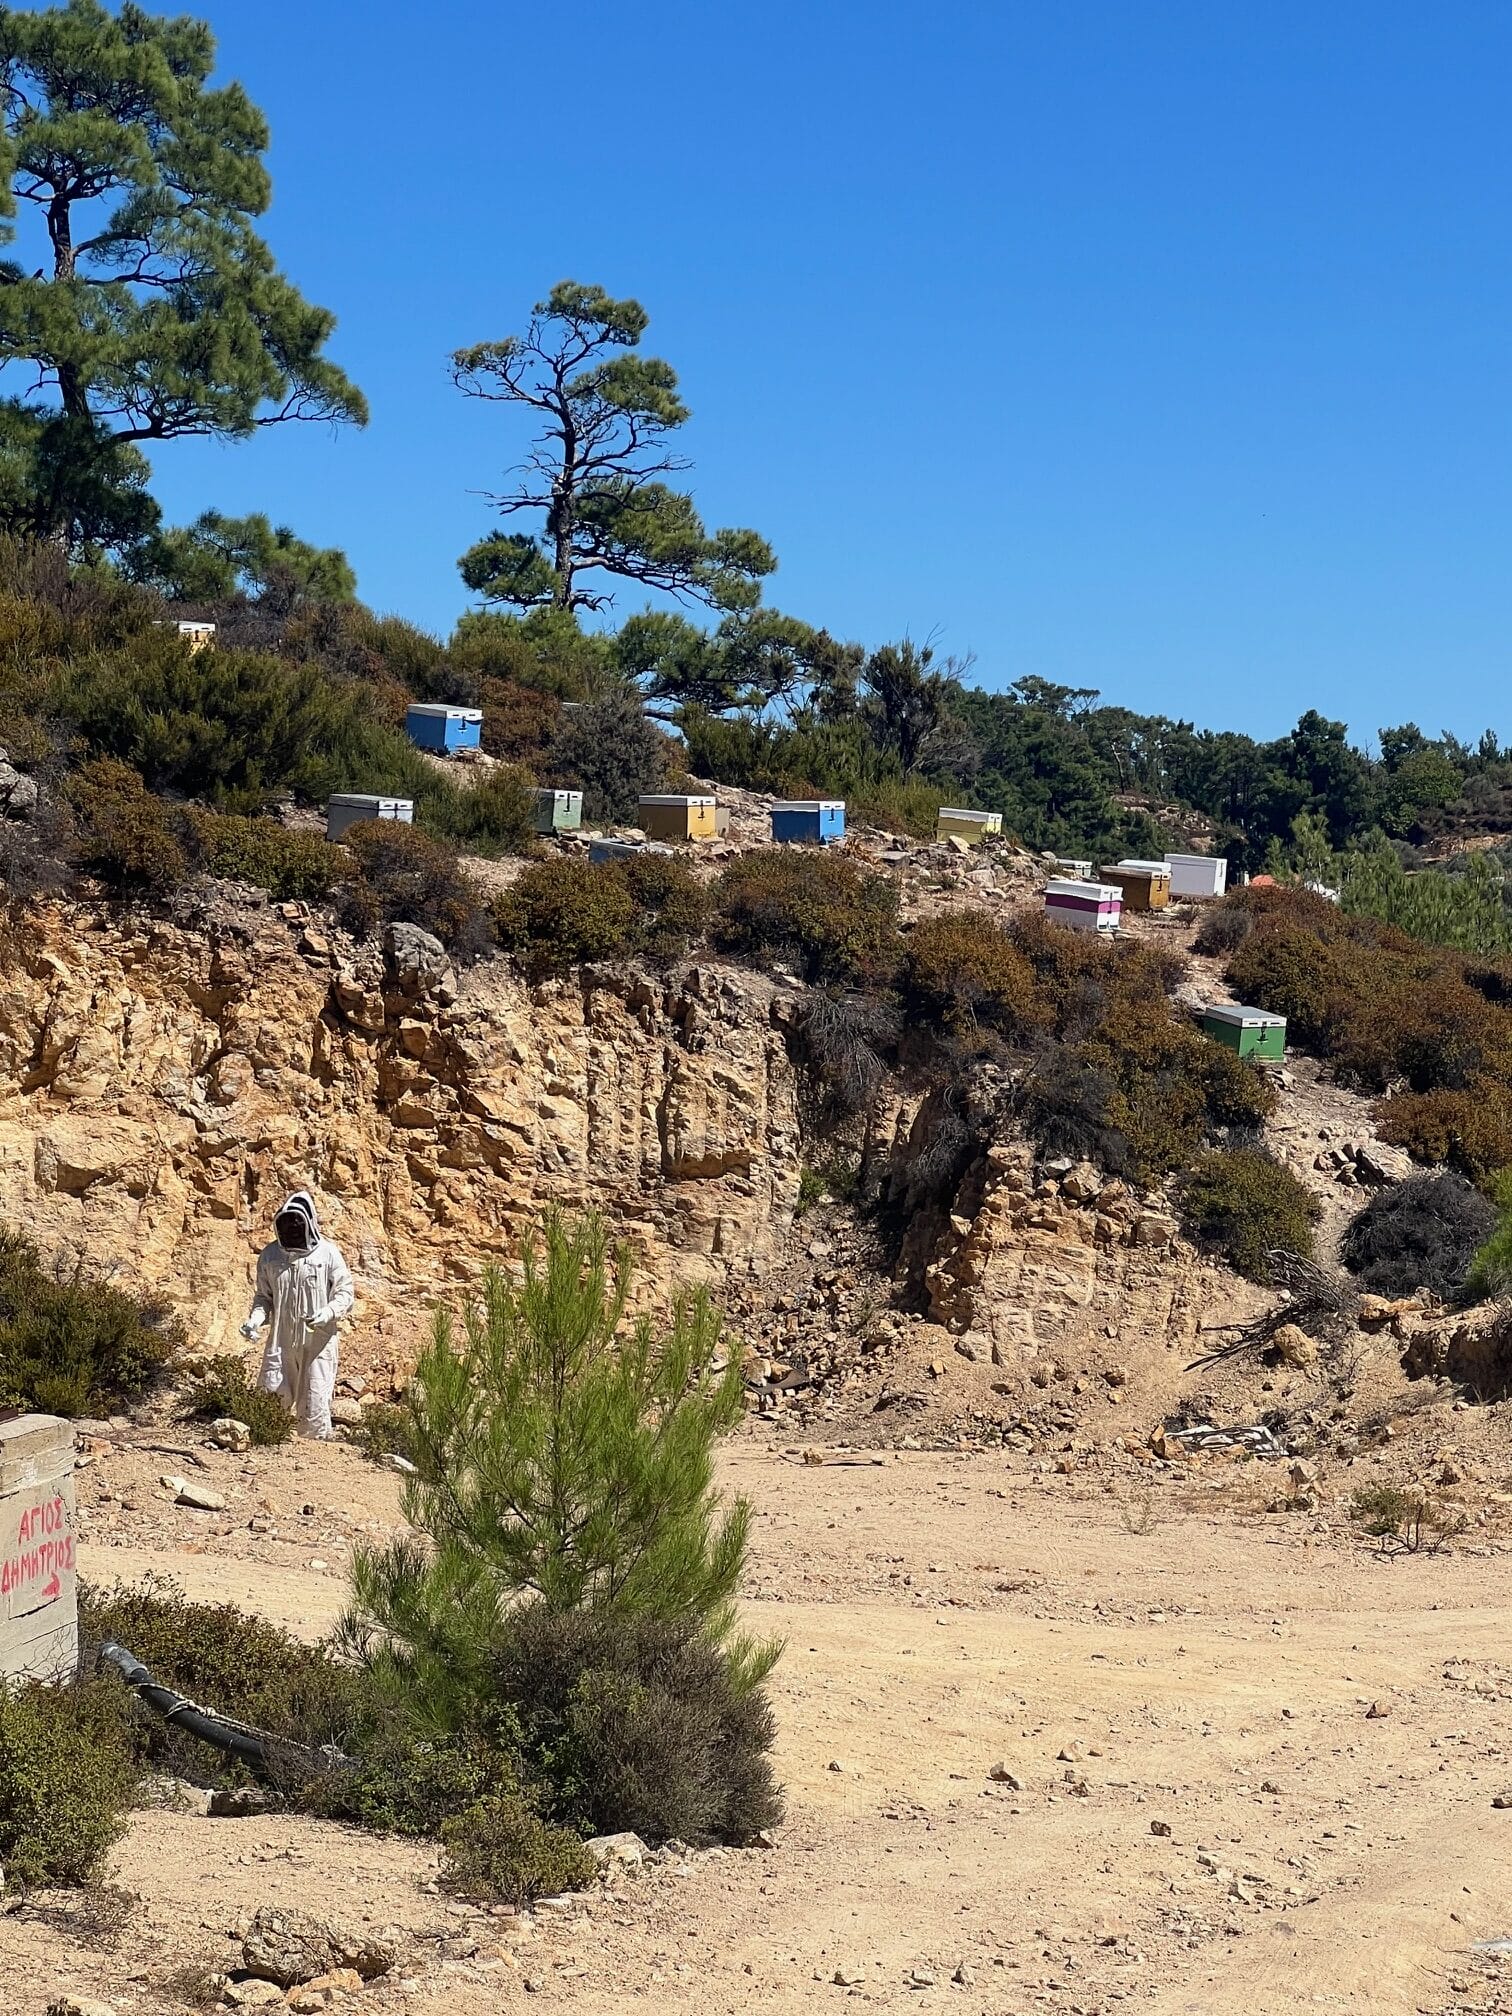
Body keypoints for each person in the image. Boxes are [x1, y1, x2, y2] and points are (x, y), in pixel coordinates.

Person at [240, 1190, 355, 1440]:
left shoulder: (328, 1254)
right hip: (281, 1340)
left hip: (318, 1343)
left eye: (297, 1224)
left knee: (314, 1402)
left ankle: (310, 1463)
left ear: (309, 1224)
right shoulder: (270, 1256)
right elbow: (264, 1297)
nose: (292, 1229)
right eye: (286, 1224)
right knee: (270, 1396)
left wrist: (328, 1312)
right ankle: (266, 1447)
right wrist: (255, 1320)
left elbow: (345, 1293)